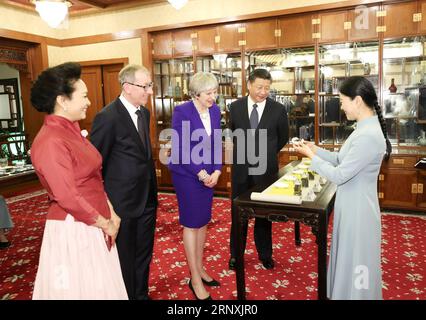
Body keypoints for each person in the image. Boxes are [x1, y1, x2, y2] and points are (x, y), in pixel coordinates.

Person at [29, 62, 127, 299]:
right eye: (83, 96)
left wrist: (110, 211)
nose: (88, 102)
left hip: (94, 219)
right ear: (63, 100)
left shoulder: (71, 130)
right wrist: (105, 223)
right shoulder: (50, 140)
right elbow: (66, 195)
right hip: (75, 227)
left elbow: (93, 176)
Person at [293, 76, 392, 300]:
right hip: (351, 207)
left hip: (359, 212)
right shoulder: (363, 128)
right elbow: (340, 159)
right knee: (350, 257)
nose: (341, 106)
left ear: (357, 101)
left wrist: (310, 157)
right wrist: (315, 149)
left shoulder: (368, 135)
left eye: (342, 101)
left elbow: (340, 175)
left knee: (358, 262)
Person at [90, 64, 157, 300]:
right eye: (145, 86)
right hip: (122, 203)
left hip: (148, 198)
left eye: (150, 85)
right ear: (128, 87)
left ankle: (140, 294)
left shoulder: (144, 113)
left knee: (144, 254)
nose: (150, 91)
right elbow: (95, 164)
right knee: (125, 257)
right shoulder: (107, 117)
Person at [168, 72, 222, 300]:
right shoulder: (182, 111)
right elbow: (180, 149)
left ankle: (199, 268)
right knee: (191, 224)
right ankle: (195, 278)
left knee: (203, 222)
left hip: (208, 175)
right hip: (188, 175)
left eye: (215, 91)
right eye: (209, 93)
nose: (214, 97)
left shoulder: (215, 110)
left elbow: (218, 141)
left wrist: (217, 170)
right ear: (196, 94)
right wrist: (200, 173)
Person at [228, 68, 289, 270]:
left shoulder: (278, 109)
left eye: (267, 88)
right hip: (241, 170)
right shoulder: (235, 107)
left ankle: (265, 254)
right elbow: (232, 133)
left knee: (264, 215)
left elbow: (283, 138)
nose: (263, 92)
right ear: (249, 85)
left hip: (265, 171)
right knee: (238, 214)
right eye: (259, 87)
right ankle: (236, 255)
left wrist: (267, 153)